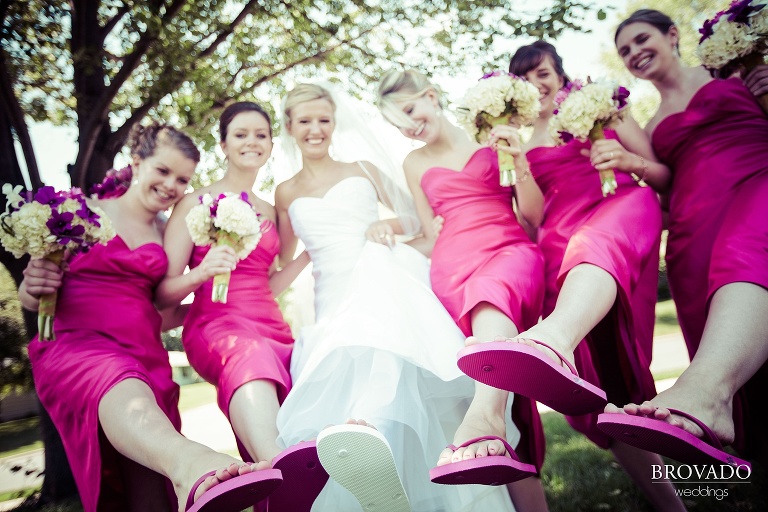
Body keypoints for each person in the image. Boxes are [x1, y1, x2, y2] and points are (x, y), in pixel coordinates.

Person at [273, 82, 515, 511]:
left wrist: (387, 229)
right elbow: (290, 256)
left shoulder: (363, 168)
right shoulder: (286, 192)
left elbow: (418, 219)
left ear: (335, 123)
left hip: (385, 275)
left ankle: (372, 423)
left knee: (383, 309)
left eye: (324, 120)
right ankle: (374, 469)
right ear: (289, 126)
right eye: (305, 121)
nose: (316, 129)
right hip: (332, 301)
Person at [19, 122, 282, 512]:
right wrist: (31, 285)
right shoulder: (79, 213)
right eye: (163, 170)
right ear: (137, 162)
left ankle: (181, 476)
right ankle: (193, 462)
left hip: (145, 354)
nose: (172, 185)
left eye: (182, 179)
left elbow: (167, 311)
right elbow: (31, 294)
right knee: (120, 386)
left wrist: (227, 308)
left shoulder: (169, 231)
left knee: (147, 492)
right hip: (76, 345)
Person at [598, 9, 768, 468]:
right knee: (720, 328)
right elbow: (663, 187)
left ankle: (708, 394)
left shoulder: (734, 73)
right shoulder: (650, 129)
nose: (634, 53)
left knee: (746, 254)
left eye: (640, 39)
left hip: (758, 184)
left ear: (672, 35)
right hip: (693, 234)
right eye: (625, 51)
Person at [377, 69, 548, 511]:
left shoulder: (492, 138)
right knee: (518, 409)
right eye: (399, 123)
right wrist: (386, 236)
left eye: (410, 110)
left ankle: (483, 416)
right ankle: (500, 442)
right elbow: (429, 235)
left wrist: (520, 161)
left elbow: (532, 215)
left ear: (431, 97)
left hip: (511, 249)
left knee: (493, 293)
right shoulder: (413, 163)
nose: (409, 126)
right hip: (452, 269)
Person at [155, 102, 327, 512]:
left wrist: (307, 257)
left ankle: (287, 489)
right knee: (247, 356)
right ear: (224, 144)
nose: (252, 141)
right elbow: (162, 295)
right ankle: (277, 466)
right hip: (216, 325)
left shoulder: (270, 211)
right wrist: (202, 273)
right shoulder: (194, 202)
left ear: (271, 143)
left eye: (261, 134)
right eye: (241, 134)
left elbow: (270, 280)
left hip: (271, 324)